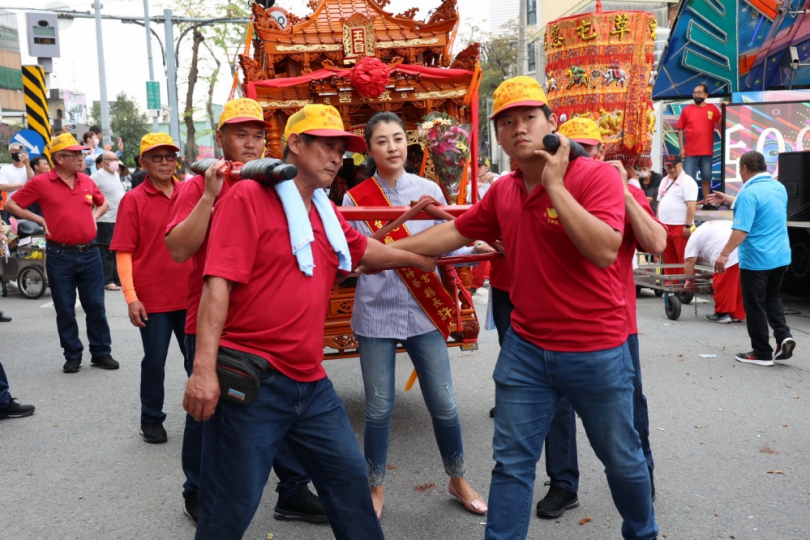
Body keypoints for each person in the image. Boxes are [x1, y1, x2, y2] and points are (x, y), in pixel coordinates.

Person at [388, 76, 658, 540]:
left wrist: (555, 185)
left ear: (552, 124)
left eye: (529, 117)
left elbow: (604, 249)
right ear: (498, 136)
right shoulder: (505, 191)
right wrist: (378, 252)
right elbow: (453, 233)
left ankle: (642, 532)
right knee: (512, 464)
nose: (518, 129)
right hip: (527, 350)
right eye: (506, 122)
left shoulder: (594, 177)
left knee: (622, 457)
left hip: (596, 348)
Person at [182, 103, 437, 539]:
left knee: (349, 485)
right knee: (232, 503)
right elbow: (216, 285)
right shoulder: (249, 197)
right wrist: (203, 370)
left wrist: (418, 259)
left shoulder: (322, 209)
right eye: (325, 145)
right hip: (255, 379)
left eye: (341, 147)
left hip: (310, 382)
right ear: (295, 145)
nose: (337, 156)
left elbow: (365, 251)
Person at [165, 98, 327, 526]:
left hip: (266, 324)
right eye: (241, 134)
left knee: (280, 409)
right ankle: (197, 490)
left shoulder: (277, 182)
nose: (251, 143)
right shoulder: (198, 184)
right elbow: (179, 249)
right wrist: (210, 198)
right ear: (220, 139)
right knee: (208, 408)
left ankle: (292, 489)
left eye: (258, 135)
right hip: (212, 323)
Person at [343, 111, 491, 519]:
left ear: (409, 143)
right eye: (382, 141)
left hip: (424, 313)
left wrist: (474, 246)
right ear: (369, 150)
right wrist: (408, 257)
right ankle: (375, 486)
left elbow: (451, 242)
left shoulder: (428, 189)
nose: (392, 147)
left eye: (398, 138)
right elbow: (356, 259)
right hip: (375, 313)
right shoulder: (354, 199)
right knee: (378, 407)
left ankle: (457, 478)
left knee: (443, 403)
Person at [532, 127, 666, 520]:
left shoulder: (620, 188)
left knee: (630, 404)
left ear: (601, 152)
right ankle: (562, 484)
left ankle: (642, 475)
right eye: (573, 150)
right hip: (557, 325)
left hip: (615, 324)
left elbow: (656, 243)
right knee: (556, 406)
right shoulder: (547, 186)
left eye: (587, 150)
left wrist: (622, 193)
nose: (581, 158)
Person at [5, 133, 118, 374]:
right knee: (65, 308)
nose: (81, 158)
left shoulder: (86, 180)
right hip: (59, 255)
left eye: (81, 153)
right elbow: (10, 205)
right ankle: (73, 354)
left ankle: (101, 353)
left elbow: (102, 203)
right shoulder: (40, 182)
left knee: (96, 306)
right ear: (59, 158)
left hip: (90, 254)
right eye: (75, 154)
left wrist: (94, 217)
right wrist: (39, 219)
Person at [110, 133, 191, 445]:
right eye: (156, 157)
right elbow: (123, 252)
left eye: (169, 156)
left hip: (191, 296)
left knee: (198, 362)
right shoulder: (134, 200)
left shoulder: (189, 193)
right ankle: (151, 419)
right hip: (153, 300)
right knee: (154, 362)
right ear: (143, 162)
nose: (165, 162)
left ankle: (210, 416)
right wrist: (132, 298)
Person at [710, 151, 795, 366]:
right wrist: (729, 199)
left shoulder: (748, 193)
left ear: (744, 169)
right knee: (772, 298)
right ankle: (784, 336)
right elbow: (761, 207)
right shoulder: (779, 187)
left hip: (757, 258)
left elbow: (741, 230)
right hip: (781, 256)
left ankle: (761, 352)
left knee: (754, 304)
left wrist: (724, 254)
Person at [684, 220, 745, 323]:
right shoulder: (719, 223)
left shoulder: (696, 234)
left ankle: (722, 314)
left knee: (723, 284)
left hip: (725, 253)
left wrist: (689, 281)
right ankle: (736, 313)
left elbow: (689, 260)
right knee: (739, 284)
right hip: (744, 248)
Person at [677, 83, 721, 208]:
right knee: (689, 181)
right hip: (690, 152)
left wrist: (726, 109)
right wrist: (681, 147)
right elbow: (680, 129)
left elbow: (721, 122)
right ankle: (690, 205)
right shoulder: (687, 110)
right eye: (695, 92)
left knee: (706, 178)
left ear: (706, 95)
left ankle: (707, 204)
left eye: (699, 92)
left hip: (707, 151)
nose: (696, 94)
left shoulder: (712, 108)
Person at [658, 155, 698, 276]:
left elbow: (691, 205)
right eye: (668, 166)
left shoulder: (688, 181)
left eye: (674, 166)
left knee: (683, 257)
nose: (671, 169)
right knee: (668, 257)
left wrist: (687, 225)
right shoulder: (664, 180)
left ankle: (684, 284)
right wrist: (658, 222)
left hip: (680, 226)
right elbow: (660, 202)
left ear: (681, 165)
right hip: (665, 226)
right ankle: (671, 282)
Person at [91, 152, 125, 290]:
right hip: (106, 219)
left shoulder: (116, 174)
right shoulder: (96, 176)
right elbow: (87, 192)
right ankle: (107, 281)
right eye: (111, 159)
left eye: (116, 159)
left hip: (119, 218)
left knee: (117, 250)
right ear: (104, 162)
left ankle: (117, 279)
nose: (114, 162)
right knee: (106, 250)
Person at [0, 142, 35, 221]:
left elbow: (33, 182)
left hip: (30, 207)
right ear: (10, 154)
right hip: (12, 207)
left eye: (19, 150)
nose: (16, 153)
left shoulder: (30, 167)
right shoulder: (5, 169)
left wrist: (27, 164)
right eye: (14, 151)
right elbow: (2, 186)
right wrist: (21, 185)